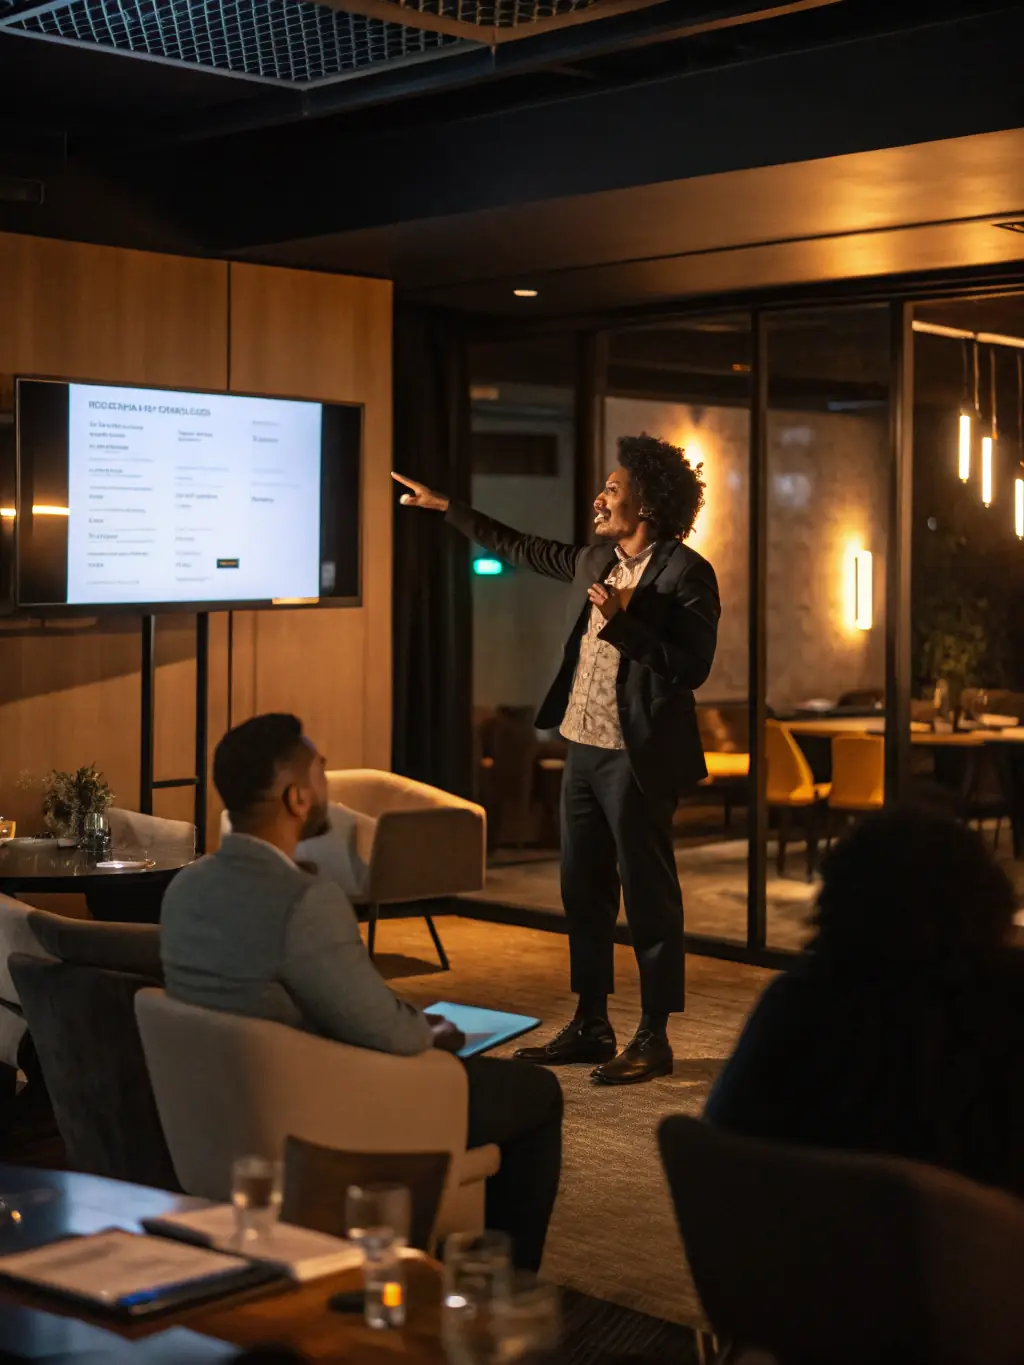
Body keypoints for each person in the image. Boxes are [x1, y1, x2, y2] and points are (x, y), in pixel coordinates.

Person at [161, 713, 562, 1270]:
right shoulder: (305, 902)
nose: (329, 782)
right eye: (322, 770)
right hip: (328, 1117)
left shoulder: (185, 887)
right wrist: (431, 1028)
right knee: (536, 1093)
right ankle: (498, 1287)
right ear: (298, 797)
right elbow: (390, 1035)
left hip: (224, 1116)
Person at [393, 433, 718, 1085]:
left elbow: (691, 668)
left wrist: (626, 624)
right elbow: (522, 547)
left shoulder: (687, 574)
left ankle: (654, 1034)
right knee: (583, 893)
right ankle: (592, 1022)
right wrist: (445, 506)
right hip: (581, 748)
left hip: (637, 759)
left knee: (649, 898)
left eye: (613, 488)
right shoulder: (596, 557)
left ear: (647, 502)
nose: (600, 497)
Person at [705, 807, 1024, 1198]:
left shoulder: (798, 1003)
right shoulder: (1004, 1007)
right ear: (992, 903)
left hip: (809, 1244)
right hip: (979, 1248)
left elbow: (721, 1147)